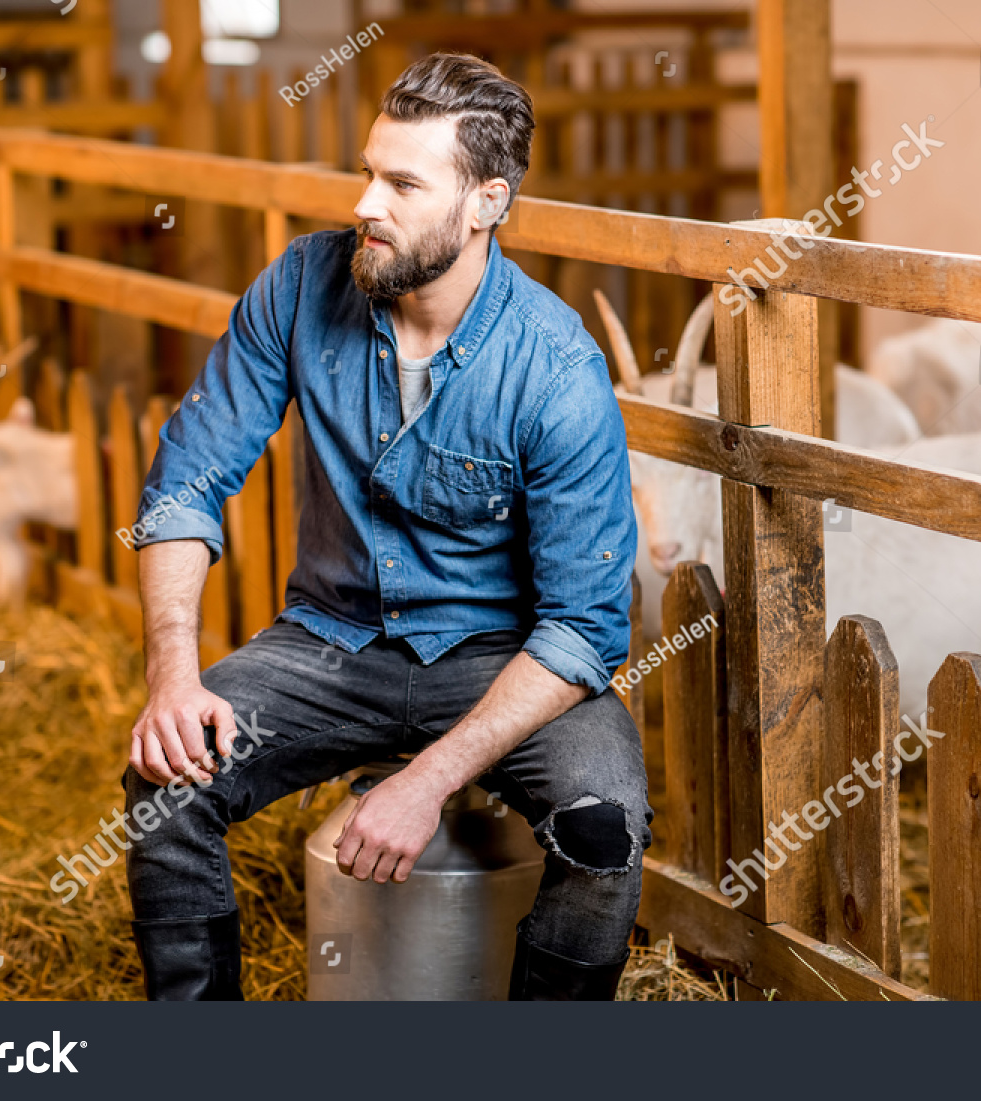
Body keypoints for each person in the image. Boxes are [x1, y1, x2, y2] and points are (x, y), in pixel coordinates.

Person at [124, 51, 650, 1001]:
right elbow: (186, 483)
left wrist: (429, 779)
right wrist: (172, 674)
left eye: (404, 183)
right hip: (329, 642)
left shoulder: (555, 366)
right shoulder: (299, 287)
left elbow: (585, 628)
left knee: (604, 827)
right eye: (368, 171)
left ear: (487, 202)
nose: (367, 203)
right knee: (167, 781)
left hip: (504, 659)